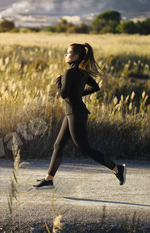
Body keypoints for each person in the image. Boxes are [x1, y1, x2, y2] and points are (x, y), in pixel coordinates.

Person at [33, 43, 126, 190]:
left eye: (68, 52)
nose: (65, 55)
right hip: (74, 113)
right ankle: (49, 179)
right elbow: (96, 87)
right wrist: (77, 94)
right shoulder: (83, 73)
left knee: (85, 148)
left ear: (75, 56)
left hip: (75, 113)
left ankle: (117, 169)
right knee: (58, 145)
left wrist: (58, 81)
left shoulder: (70, 73)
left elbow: (63, 94)